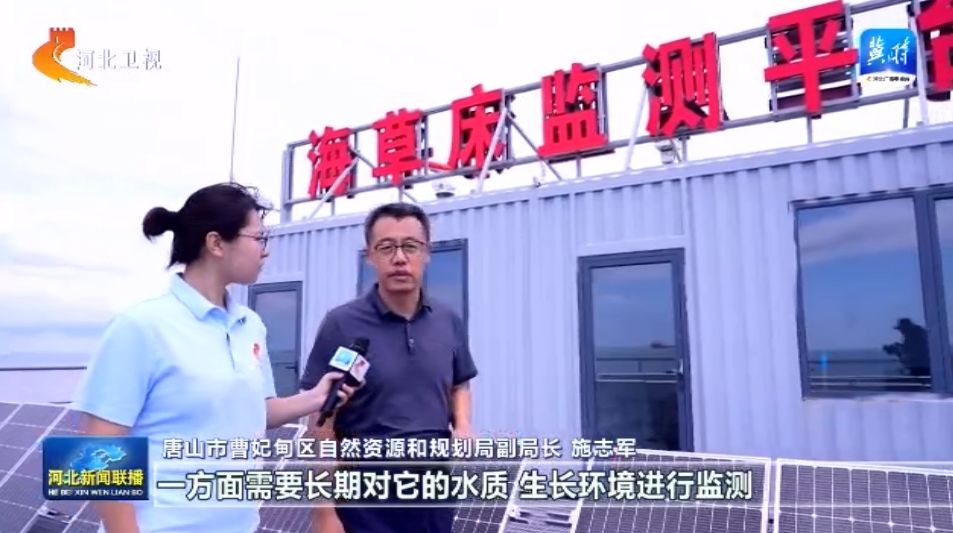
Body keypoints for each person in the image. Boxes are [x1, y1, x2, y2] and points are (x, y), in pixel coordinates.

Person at [72, 182, 358, 533]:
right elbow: (96, 447)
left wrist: (316, 396)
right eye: (259, 238)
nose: (266, 251)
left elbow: (258, 410)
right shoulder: (140, 326)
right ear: (216, 243)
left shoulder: (250, 325)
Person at [300, 202, 478, 533]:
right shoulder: (342, 324)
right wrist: (323, 510)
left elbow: (460, 382)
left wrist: (464, 423)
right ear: (370, 255)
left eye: (410, 246)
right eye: (386, 247)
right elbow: (321, 421)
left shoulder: (448, 321)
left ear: (427, 253)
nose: (399, 258)